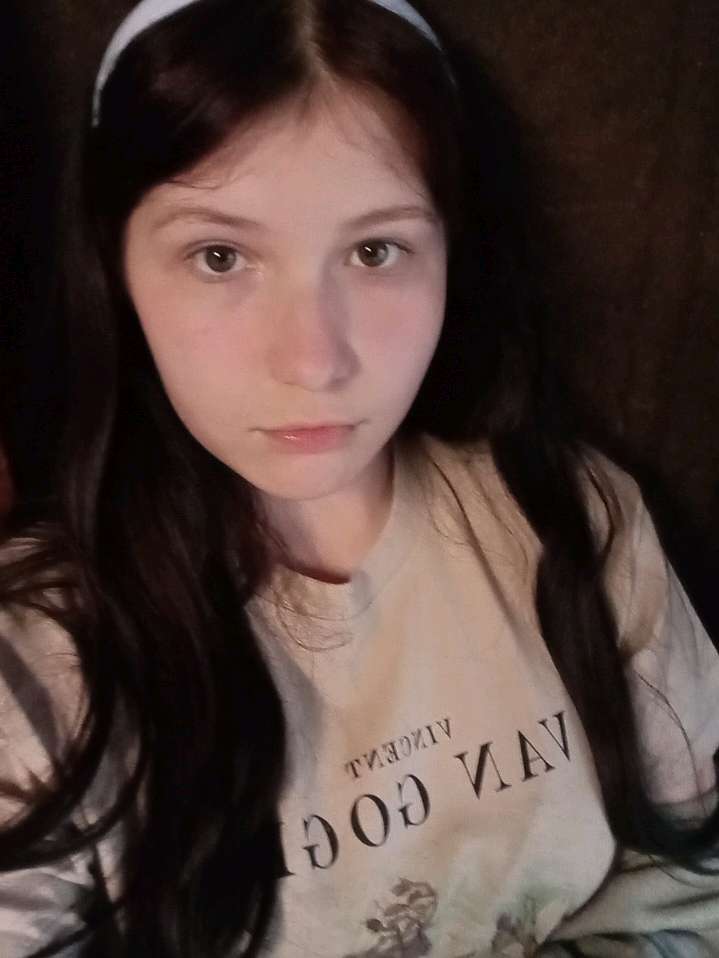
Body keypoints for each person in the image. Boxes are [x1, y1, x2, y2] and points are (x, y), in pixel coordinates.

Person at [0, 0, 718, 955]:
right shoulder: (36, 667)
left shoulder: (577, 525)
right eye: (220, 256)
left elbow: (690, 876)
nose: (313, 360)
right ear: (116, 269)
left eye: (376, 251)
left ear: (450, 254)